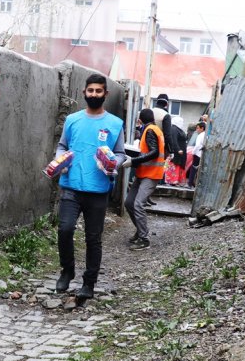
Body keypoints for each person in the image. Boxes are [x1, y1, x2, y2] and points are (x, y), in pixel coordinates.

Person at [53, 73, 126, 308]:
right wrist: (59, 160)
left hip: (98, 189)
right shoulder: (72, 120)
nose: (94, 94)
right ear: (84, 92)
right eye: (90, 90)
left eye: (98, 91)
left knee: (93, 239)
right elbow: (62, 145)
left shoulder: (114, 124)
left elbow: (122, 153)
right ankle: (67, 270)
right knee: (64, 230)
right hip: (71, 186)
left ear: (106, 94)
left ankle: (89, 283)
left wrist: (113, 162)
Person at [122, 109, 165, 250]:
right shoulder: (153, 129)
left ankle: (144, 239)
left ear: (139, 120)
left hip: (151, 174)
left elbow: (154, 152)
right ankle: (140, 231)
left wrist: (134, 161)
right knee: (129, 203)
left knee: (138, 204)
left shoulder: (150, 130)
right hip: (144, 173)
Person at [166, 115, 188, 186]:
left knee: (178, 165)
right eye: (181, 121)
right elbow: (174, 140)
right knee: (174, 165)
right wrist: (178, 149)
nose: (182, 123)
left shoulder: (178, 129)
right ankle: (172, 180)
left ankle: (176, 180)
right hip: (176, 152)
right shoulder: (174, 129)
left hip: (181, 152)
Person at [187, 121, 206, 188]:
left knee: (193, 169)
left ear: (202, 128)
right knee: (199, 169)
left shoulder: (200, 135)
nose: (196, 130)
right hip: (201, 154)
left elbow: (197, 145)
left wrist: (193, 152)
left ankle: (190, 183)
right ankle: (195, 184)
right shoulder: (205, 135)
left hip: (197, 154)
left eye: (198, 128)